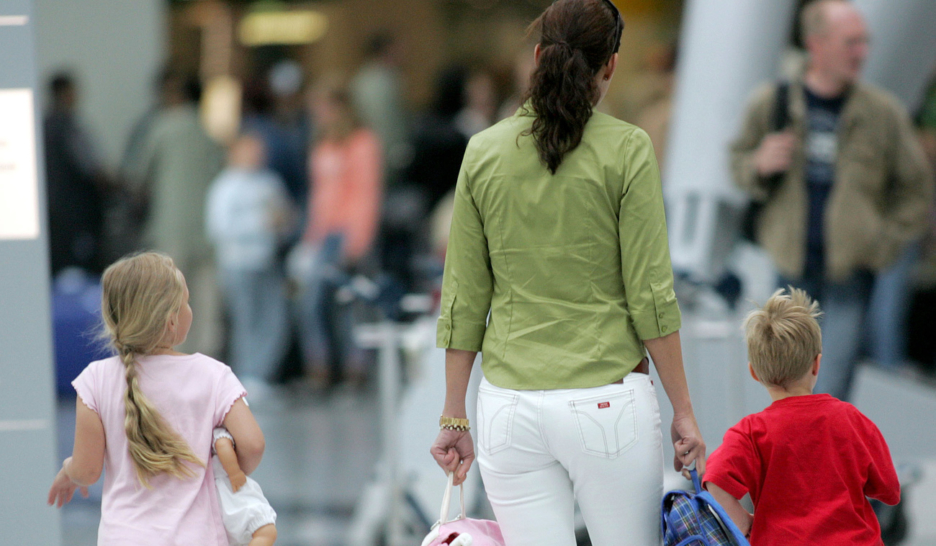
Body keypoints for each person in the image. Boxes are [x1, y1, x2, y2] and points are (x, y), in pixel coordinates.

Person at [429, 1, 706, 545]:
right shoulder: (628, 150)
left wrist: (453, 414)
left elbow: (462, 296)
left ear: (537, 57)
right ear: (610, 67)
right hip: (607, 403)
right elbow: (650, 296)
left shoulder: (482, 152)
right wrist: (684, 411)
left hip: (508, 407)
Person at [731, 0, 933, 400]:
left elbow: (916, 188)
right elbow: (737, 161)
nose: (861, 53)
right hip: (789, 272)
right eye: (850, 43)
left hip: (848, 276)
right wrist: (758, 162)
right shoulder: (773, 103)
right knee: (783, 387)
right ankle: (791, 462)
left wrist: (882, 242)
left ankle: (822, 463)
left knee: (832, 389)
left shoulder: (882, 112)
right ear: (816, 45)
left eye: (864, 42)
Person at [47, 252, 266, 545]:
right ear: (172, 320)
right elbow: (253, 445)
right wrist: (230, 471)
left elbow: (87, 471)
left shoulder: (96, 379)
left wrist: (68, 470)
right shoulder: (213, 375)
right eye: (185, 301)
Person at [703, 288, 900, 544]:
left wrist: (743, 522)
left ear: (754, 373)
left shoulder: (750, 433)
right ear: (817, 364)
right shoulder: (850, 419)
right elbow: (890, 490)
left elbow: (715, 483)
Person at [124, 69, 226, 355]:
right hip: (207, 229)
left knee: (168, 301)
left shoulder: (162, 126)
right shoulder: (208, 131)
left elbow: (136, 177)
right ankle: (206, 358)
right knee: (205, 302)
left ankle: (170, 361)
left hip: (169, 227)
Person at [297, 79, 383, 388]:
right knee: (313, 302)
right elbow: (318, 196)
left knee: (351, 303)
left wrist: (358, 239)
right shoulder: (323, 144)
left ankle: (355, 367)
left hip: (350, 232)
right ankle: (319, 364)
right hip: (324, 234)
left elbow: (366, 192)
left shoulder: (361, 142)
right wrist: (310, 239)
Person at [206, 133, 293, 395]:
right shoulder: (225, 186)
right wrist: (261, 224)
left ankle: (261, 374)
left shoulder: (269, 182)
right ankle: (245, 376)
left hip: (266, 260)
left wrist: (283, 224)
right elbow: (219, 228)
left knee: (274, 319)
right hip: (238, 262)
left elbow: (285, 218)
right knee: (246, 320)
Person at [43, 72, 109, 276]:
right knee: (81, 272)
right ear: (65, 93)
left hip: (52, 214)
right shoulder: (68, 128)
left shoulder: (42, 126)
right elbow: (92, 168)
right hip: (76, 215)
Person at [212, 427, 277, 546]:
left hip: (213, 496)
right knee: (265, 530)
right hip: (229, 490)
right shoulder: (216, 430)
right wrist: (234, 472)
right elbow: (222, 444)